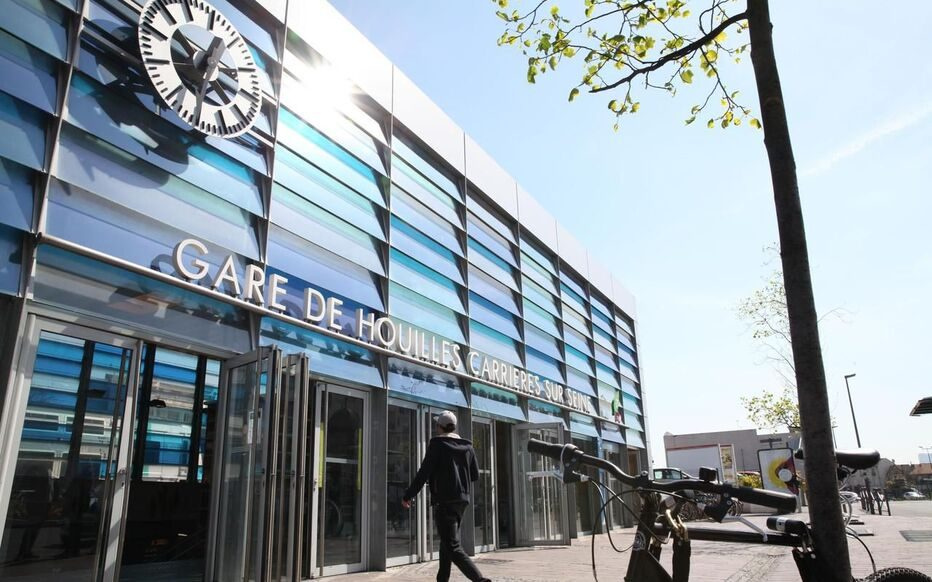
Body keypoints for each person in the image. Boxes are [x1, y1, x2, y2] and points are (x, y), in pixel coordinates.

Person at [402, 411, 490, 582]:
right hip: (462, 501)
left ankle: (480, 580)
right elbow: (474, 475)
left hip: (445, 501)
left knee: (452, 545)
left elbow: (424, 473)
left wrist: (408, 495)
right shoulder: (468, 447)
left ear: (440, 427)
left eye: (437, 425)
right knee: (446, 542)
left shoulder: (438, 445)